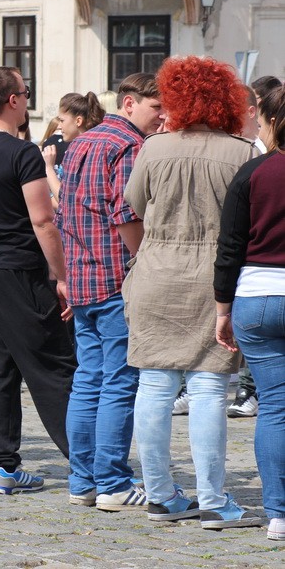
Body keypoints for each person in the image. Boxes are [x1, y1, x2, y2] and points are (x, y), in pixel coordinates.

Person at [123, 55, 261, 529]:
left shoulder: (152, 148)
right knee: (208, 388)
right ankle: (214, 499)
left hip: (156, 271)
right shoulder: (242, 152)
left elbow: (134, 205)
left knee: (154, 384)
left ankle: (160, 494)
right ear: (226, 99)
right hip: (214, 277)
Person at [0, 66, 77, 495]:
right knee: (54, 367)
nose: (27, 99)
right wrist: (60, 276)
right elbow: (43, 220)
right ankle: (88, 464)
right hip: (18, 270)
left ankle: (4, 467)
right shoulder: (22, 154)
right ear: (12, 101)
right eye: (25, 92)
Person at [58, 73, 164, 511]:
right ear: (130, 102)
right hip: (114, 277)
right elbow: (126, 214)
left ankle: (83, 480)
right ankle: (113, 483)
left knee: (88, 380)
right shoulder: (128, 145)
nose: (162, 116)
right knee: (118, 383)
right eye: (156, 107)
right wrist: (144, 262)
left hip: (82, 276)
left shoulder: (82, 140)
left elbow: (64, 208)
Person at [215, 85, 285, 542]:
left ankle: (279, 514)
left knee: (275, 408)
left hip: (258, 296)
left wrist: (222, 309)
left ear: (273, 122)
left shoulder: (254, 171)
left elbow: (230, 247)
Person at [43, 92, 105, 206]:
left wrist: (49, 168)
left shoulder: (80, 152)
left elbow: (65, 201)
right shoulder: (98, 145)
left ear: (78, 121)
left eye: (62, 120)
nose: (60, 126)